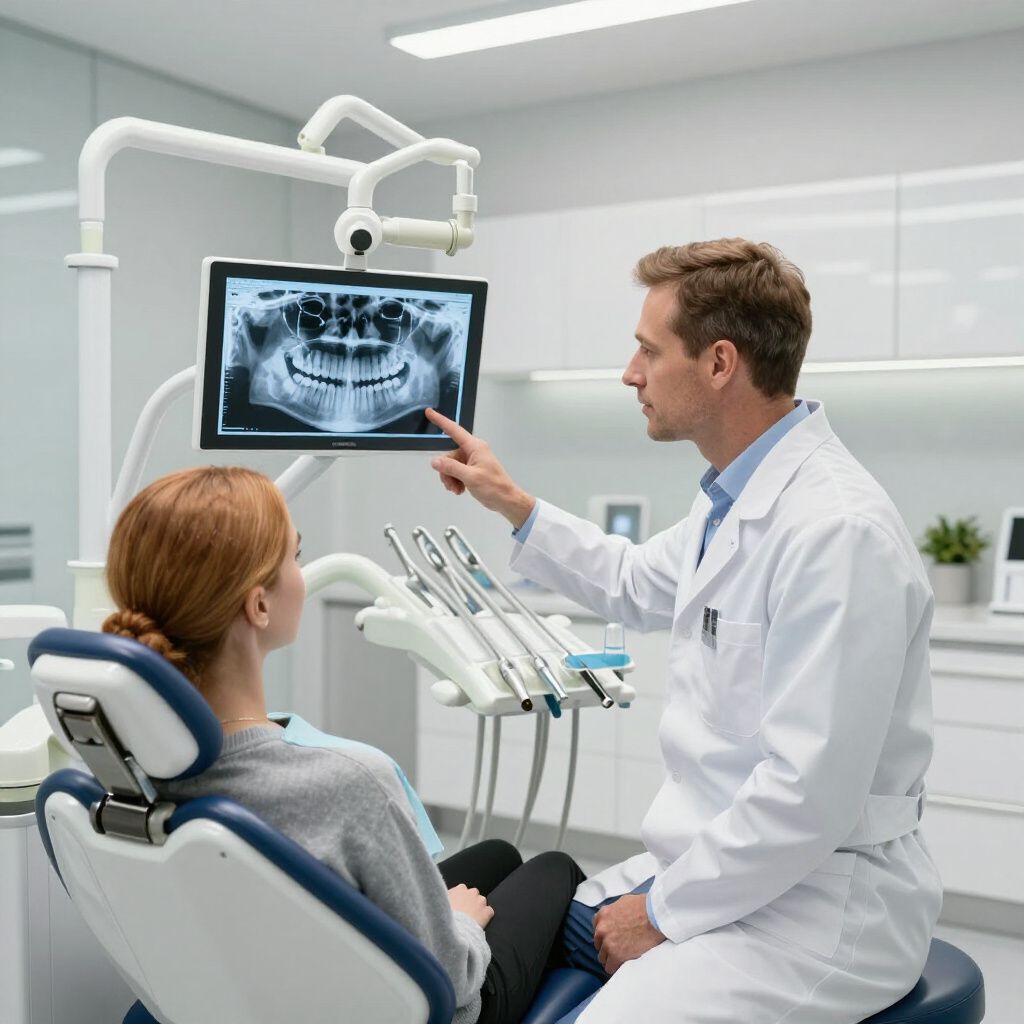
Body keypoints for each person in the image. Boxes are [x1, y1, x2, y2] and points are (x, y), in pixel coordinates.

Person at [425, 238, 942, 1024]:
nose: (630, 373)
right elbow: (634, 581)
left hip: (818, 906)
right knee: (525, 925)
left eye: (646, 349)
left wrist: (660, 912)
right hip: (723, 867)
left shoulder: (836, 531)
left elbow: (808, 796)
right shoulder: (734, 499)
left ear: (720, 363)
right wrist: (510, 502)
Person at [100, 465, 586, 1024]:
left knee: (498, 857)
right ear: (259, 606)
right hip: (425, 1008)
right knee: (553, 867)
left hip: (254, 978)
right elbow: (449, 978)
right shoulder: (347, 780)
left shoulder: (127, 770)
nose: (303, 574)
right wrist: (462, 926)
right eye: (295, 556)